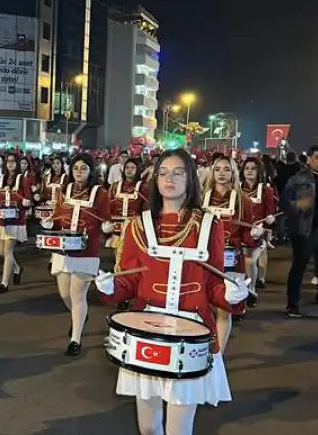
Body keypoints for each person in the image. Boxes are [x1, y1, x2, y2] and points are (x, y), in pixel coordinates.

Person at [95, 149, 248, 435]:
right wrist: (110, 286)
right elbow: (129, 282)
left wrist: (231, 295)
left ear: (191, 179)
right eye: (163, 172)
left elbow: (213, 284)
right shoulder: (139, 225)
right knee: (149, 426)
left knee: (180, 427)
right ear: (154, 180)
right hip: (146, 330)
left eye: (178, 172)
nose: (170, 178)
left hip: (191, 334)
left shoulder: (208, 225)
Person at [41, 153, 110, 356]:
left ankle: (75, 339)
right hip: (63, 249)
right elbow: (58, 215)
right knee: (64, 294)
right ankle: (79, 315)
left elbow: (105, 219)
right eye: (76, 168)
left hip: (87, 251)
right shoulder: (66, 189)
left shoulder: (100, 193)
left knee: (77, 295)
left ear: (91, 171)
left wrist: (107, 226)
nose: (79, 171)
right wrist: (50, 223)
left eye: (83, 168)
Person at [202, 156, 260, 337]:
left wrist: (254, 234)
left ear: (233, 173)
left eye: (226, 169)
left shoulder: (244, 201)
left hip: (231, 259)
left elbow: (247, 238)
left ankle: (218, 354)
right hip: (204, 259)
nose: (221, 173)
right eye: (217, 169)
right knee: (201, 308)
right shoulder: (200, 198)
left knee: (224, 309)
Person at [281, 145, 318, 320]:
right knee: (299, 268)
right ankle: (293, 304)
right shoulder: (298, 179)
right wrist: (297, 205)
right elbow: (285, 202)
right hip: (306, 231)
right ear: (310, 159)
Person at [0, 153, 32, 294]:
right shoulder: (1, 179)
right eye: (8, 161)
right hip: (1, 219)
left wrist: (26, 202)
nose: (10, 164)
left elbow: (28, 198)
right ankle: (17, 269)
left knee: (8, 251)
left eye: (13, 161)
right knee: (2, 253)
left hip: (15, 219)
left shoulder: (23, 179)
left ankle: (4, 283)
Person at [241, 158, 278, 292]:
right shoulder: (236, 189)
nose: (249, 171)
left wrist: (270, 219)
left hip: (257, 233)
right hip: (239, 232)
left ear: (259, 171)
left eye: (253, 168)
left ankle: (252, 289)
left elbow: (271, 213)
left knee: (250, 261)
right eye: (247, 168)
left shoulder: (266, 190)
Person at [107, 157, 149, 249]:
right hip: (116, 227)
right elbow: (109, 205)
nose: (129, 170)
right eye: (127, 167)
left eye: (132, 168)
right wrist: (107, 221)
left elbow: (147, 208)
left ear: (137, 170)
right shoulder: (115, 186)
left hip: (135, 228)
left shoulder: (143, 187)